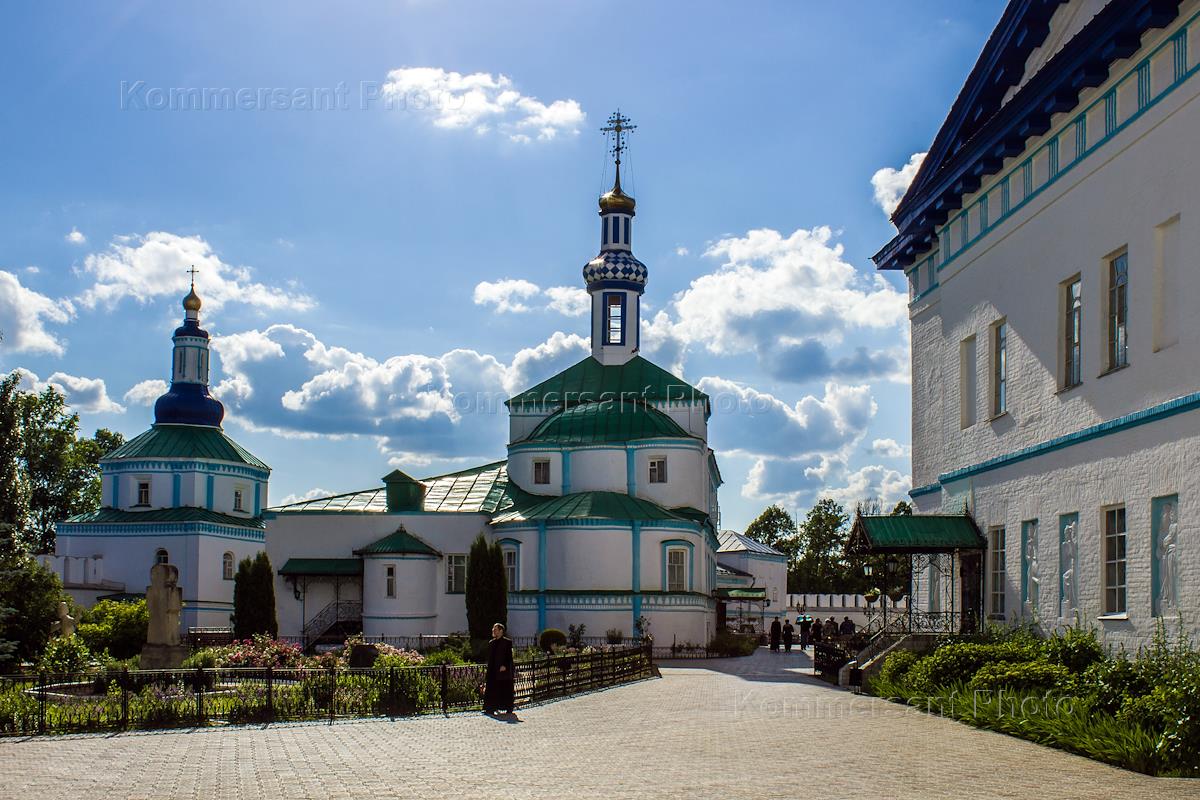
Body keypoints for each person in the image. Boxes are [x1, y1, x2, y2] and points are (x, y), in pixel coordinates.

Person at [483, 622, 515, 715]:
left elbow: (509, 656)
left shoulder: (507, 642)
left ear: (501, 631)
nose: (493, 631)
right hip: (493, 670)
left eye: (495, 629)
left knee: (505, 689)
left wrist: (504, 665)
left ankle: (507, 707)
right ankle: (490, 708)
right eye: (493, 629)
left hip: (503, 671)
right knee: (492, 689)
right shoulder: (491, 643)